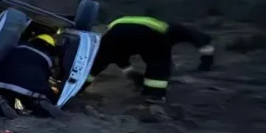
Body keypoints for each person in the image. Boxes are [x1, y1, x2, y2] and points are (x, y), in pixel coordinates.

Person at [86, 16, 215, 102]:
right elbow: (201, 38)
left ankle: (76, 89)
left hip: (114, 32)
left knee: (96, 63)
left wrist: (132, 74)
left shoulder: (127, 24)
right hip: (150, 34)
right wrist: (206, 62)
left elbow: (117, 55)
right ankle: (154, 98)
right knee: (159, 68)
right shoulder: (172, 28)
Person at [0, 32, 64, 118]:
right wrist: (53, 97)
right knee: (34, 96)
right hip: (26, 84)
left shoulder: (18, 46)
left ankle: (1, 100)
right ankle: (38, 103)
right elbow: (44, 78)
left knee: (1, 97)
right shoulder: (46, 59)